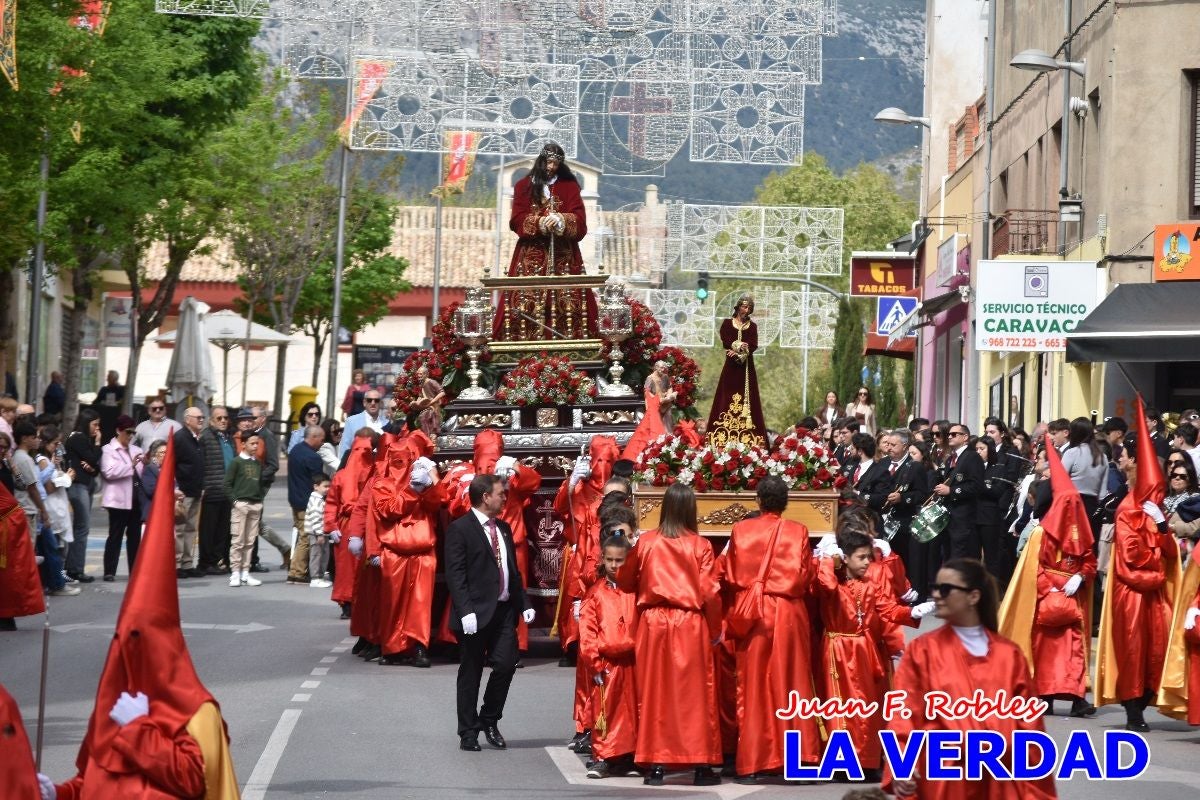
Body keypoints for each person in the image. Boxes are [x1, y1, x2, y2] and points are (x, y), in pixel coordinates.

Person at [47, 438, 239, 799]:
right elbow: (94, 781)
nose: (127, 651)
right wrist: (58, 793)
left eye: (139, 639)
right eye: (123, 638)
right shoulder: (113, 704)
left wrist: (137, 728)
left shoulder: (197, 715)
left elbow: (193, 780)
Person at [883, 558, 1057, 800]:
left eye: (945, 589)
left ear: (973, 597)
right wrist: (901, 764)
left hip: (998, 777)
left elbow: (1029, 727)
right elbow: (904, 713)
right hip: (943, 777)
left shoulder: (1009, 655)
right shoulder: (922, 651)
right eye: (934, 587)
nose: (936, 595)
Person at [618, 482, 722, 786]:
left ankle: (657, 764)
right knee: (696, 694)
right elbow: (711, 593)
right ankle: (701, 764)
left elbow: (624, 578)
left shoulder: (647, 542)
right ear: (691, 509)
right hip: (689, 622)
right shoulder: (700, 546)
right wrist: (714, 630)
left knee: (655, 693)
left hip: (653, 622)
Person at [813, 525, 932, 781]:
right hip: (838, 649)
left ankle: (865, 758)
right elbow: (826, 585)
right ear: (845, 557)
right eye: (862, 557)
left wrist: (910, 613)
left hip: (863, 648)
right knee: (840, 705)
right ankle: (842, 761)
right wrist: (828, 559)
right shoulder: (833, 580)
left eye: (869, 556)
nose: (868, 562)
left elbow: (888, 609)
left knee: (865, 705)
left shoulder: (870, 584)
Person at [720, 476, 819, 783]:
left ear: (758, 501)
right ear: (785, 501)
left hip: (754, 611)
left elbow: (731, 573)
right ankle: (799, 759)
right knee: (794, 682)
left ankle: (753, 761)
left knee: (752, 686)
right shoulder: (798, 531)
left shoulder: (741, 530)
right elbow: (804, 579)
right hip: (789, 612)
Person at [1095, 400, 1180, 732]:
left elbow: (1170, 552)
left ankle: (1145, 700)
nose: (1120, 459)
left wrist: (1160, 529)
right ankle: (1133, 711)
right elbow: (1134, 556)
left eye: (1126, 456)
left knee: (1156, 651)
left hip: (1153, 593)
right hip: (1133, 593)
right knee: (1133, 650)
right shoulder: (1128, 508)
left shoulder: (1151, 506)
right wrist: (1159, 547)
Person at [1000, 436, 1098, 719]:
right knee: (1045, 650)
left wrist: (1080, 577)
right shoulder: (1042, 534)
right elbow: (1034, 570)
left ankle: (1077, 697)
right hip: (1048, 599)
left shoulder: (1081, 534)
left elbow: (1088, 561)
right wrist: (1051, 590)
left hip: (1073, 598)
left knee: (1074, 650)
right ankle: (1045, 696)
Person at [445, 474, 536, 752]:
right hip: (474, 614)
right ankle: (468, 732)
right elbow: (456, 574)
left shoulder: (504, 528)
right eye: (500, 493)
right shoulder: (460, 529)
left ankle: (489, 719)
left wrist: (524, 603)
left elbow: (512, 570)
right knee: (471, 671)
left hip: (503, 610)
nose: (504, 498)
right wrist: (465, 611)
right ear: (485, 496)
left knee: (507, 664)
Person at [444, 429, 541, 651]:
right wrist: (473, 488)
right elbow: (454, 507)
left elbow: (534, 482)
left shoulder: (511, 476)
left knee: (512, 592)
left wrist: (515, 467)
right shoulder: (464, 475)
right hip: (477, 546)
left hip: (512, 545)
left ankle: (512, 644)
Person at [497, 141, 592, 341]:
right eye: (548, 162)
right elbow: (516, 220)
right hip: (531, 256)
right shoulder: (523, 186)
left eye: (555, 164)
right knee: (524, 302)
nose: (551, 167)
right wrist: (539, 223)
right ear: (541, 161)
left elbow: (581, 222)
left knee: (570, 303)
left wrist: (562, 221)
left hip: (563, 256)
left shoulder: (570, 186)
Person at [368, 433, 444, 665]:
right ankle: (391, 648)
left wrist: (433, 480)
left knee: (421, 604)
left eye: (407, 462)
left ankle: (419, 647)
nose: (401, 467)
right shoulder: (382, 484)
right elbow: (389, 510)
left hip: (423, 551)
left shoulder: (423, 481)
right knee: (392, 603)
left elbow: (438, 503)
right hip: (394, 551)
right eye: (397, 462)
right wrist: (413, 490)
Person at [579, 533, 640, 780]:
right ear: (602, 560)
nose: (615, 566)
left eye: (620, 560)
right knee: (605, 711)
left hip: (634, 662)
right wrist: (594, 665)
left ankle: (628, 756)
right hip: (607, 663)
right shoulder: (595, 593)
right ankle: (603, 757)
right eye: (611, 560)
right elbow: (587, 633)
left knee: (632, 711)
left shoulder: (636, 590)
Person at [326, 432, 376, 619]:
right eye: (358, 449)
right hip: (345, 526)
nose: (361, 453)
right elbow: (332, 502)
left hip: (366, 525)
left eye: (366, 449)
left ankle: (361, 603)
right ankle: (346, 603)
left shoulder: (373, 474)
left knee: (363, 568)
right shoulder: (341, 476)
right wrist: (331, 526)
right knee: (346, 569)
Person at [706, 295, 766, 449]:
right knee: (726, 396)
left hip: (746, 367)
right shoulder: (727, 323)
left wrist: (741, 353)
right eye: (744, 307)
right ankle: (721, 438)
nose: (746, 310)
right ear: (738, 307)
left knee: (749, 398)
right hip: (730, 368)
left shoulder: (752, 327)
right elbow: (725, 339)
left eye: (749, 308)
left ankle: (749, 438)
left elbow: (753, 345)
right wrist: (736, 346)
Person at [100, 415, 143, 582]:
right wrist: (130, 465)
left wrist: (145, 463)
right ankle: (109, 570)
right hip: (117, 500)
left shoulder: (136, 450)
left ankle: (135, 570)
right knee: (115, 535)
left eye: (133, 432)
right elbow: (109, 472)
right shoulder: (108, 450)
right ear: (118, 430)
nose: (130, 436)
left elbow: (141, 473)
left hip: (135, 499)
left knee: (134, 537)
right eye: (127, 432)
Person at [0, 481, 47, 631]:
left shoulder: (14, 462)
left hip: (8, 522)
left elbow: (24, 484)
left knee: (8, 574)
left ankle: (5, 616)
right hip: (10, 519)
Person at [933, 423, 984, 560]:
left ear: (965, 437)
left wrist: (951, 490)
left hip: (964, 518)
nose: (949, 436)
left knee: (960, 558)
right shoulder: (951, 458)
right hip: (950, 517)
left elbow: (976, 486)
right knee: (948, 556)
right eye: (948, 434)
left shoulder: (972, 457)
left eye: (954, 434)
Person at [63, 409, 102, 583]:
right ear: (86, 423)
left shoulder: (83, 439)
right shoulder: (78, 438)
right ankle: (75, 569)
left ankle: (74, 567)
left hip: (85, 484)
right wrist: (98, 443)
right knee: (82, 527)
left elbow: (94, 466)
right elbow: (93, 458)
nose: (97, 429)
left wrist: (92, 467)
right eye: (94, 425)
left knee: (80, 527)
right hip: (78, 487)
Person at [224, 431, 266, 588]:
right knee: (238, 540)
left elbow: (260, 484)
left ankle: (245, 572)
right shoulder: (236, 462)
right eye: (252, 443)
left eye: (257, 443)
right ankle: (235, 572)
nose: (255, 446)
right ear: (243, 444)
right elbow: (227, 484)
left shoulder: (257, 463)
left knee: (250, 541)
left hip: (255, 505)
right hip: (241, 505)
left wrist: (260, 500)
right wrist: (235, 502)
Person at [197, 406, 235, 575]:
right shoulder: (205, 437)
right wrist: (203, 486)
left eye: (225, 418)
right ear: (211, 420)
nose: (223, 421)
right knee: (208, 529)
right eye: (219, 418)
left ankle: (217, 560)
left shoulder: (228, 438)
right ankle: (205, 562)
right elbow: (201, 463)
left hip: (227, 491)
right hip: (212, 489)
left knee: (222, 529)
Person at [287, 426, 326, 584]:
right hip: (307, 503)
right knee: (305, 538)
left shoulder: (295, 450)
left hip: (294, 499)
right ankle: (297, 572)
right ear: (314, 437)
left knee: (301, 536)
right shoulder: (313, 457)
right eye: (321, 440)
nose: (322, 443)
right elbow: (318, 482)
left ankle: (297, 569)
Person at [172, 408, 206, 579]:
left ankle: (187, 562)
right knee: (179, 528)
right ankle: (177, 564)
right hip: (183, 492)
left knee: (191, 529)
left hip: (196, 490)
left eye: (202, 417)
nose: (201, 420)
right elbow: (172, 464)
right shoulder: (179, 438)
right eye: (198, 417)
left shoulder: (196, 438)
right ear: (187, 420)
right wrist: (175, 488)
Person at [621, 360, 677, 462]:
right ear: (655, 368)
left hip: (665, 405)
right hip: (655, 404)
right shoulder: (650, 378)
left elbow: (669, 387)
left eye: (664, 368)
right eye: (660, 368)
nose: (662, 370)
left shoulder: (665, 377)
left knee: (668, 425)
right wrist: (654, 402)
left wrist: (669, 395)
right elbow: (647, 392)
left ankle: (669, 442)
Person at [305, 474, 333, 589]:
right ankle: (315, 578)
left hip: (323, 533)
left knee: (324, 555)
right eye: (325, 486)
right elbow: (316, 518)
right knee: (316, 555)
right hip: (316, 533)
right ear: (316, 486)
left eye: (329, 486)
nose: (327, 489)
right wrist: (319, 534)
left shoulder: (320, 499)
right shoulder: (316, 500)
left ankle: (320, 577)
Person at [340, 390, 386, 458]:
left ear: (381, 403)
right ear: (364, 402)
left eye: (376, 400)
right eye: (369, 400)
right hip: (358, 464)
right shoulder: (351, 421)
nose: (373, 403)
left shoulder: (387, 423)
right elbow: (344, 448)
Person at [409, 364, 446, 441]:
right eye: (418, 374)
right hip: (426, 406)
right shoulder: (422, 384)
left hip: (433, 407)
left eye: (420, 374)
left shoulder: (432, 382)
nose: (419, 375)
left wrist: (433, 401)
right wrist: (415, 403)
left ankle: (431, 437)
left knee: (424, 417)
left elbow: (442, 393)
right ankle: (427, 438)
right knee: (421, 418)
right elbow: (421, 396)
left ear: (426, 374)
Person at [138, 441, 167, 527]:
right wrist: (172, 491)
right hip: (152, 515)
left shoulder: (171, 470)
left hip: (166, 514)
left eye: (168, 452)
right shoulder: (149, 469)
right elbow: (151, 491)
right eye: (163, 452)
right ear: (155, 455)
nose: (166, 455)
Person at [91, 370, 124, 444]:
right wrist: (102, 403)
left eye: (109, 377)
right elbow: (95, 402)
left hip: (115, 417)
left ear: (115, 379)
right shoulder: (104, 389)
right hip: (104, 417)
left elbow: (123, 401)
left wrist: (117, 403)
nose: (107, 379)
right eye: (108, 377)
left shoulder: (121, 389)